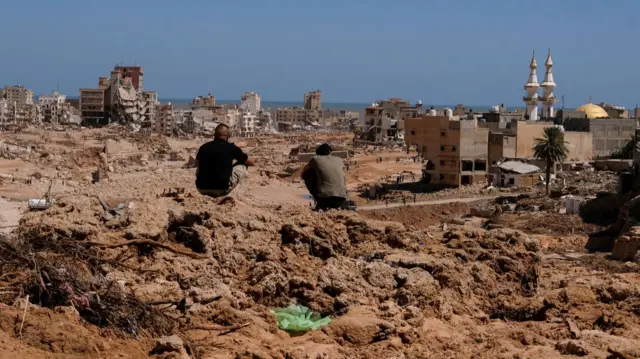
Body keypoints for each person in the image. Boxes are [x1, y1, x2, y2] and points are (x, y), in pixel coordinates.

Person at [194, 124, 255, 198]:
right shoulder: (232, 148)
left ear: (215, 135)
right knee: (242, 165)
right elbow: (251, 162)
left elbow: (196, 164)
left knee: (201, 166)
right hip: (221, 189)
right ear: (227, 135)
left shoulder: (203, 147)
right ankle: (241, 190)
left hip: (201, 188)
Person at [302, 143, 347, 211]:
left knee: (308, 173)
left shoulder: (315, 159)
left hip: (323, 200)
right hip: (341, 199)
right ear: (330, 152)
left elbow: (304, 172)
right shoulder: (339, 159)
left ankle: (317, 198)